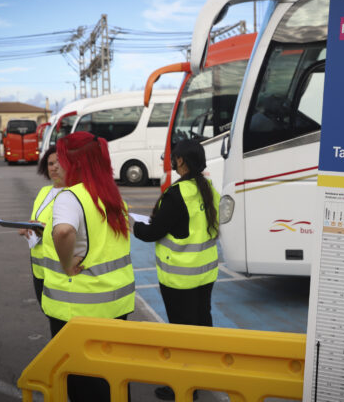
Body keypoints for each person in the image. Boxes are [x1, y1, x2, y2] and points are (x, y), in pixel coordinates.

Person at [41, 131, 135, 402]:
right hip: (115, 303)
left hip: (79, 309)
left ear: (75, 162)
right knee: (115, 378)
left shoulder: (71, 197)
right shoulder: (110, 194)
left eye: (60, 158)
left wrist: (66, 263)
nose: (57, 164)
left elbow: (63, 232)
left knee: (84, 384)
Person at [132, 139, 220, 401]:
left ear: (181, 161)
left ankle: (183, 387)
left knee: (181, 332)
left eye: (173, 157)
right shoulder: (207, 187)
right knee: (202, 323)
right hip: (206, 273)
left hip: (180, 278)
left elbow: (152, 232)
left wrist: (134, 225)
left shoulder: (176, 194)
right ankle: (202, 374)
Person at [18, 146, 65, 305]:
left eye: (59, 162)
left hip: (60, 270)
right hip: (39, 268)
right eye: (50, 164)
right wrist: (29, 229)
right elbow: (37, 221)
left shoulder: (73, 193)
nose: (54, 167)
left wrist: (44, 228)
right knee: (46, 309)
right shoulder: (44, 191)